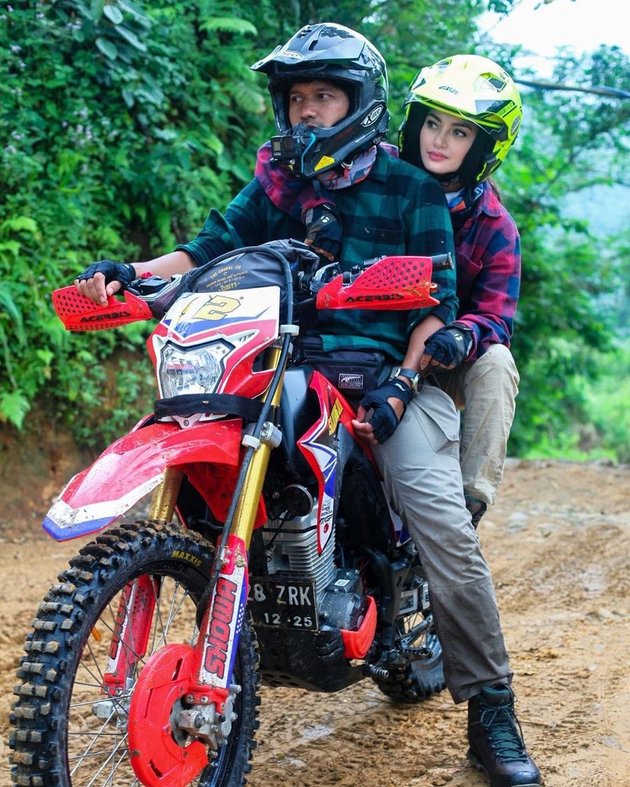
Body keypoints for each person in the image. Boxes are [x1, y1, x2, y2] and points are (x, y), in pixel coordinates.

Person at [74, 24, 541, 787]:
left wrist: (401, 381)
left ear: (358, 103)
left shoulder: (412, 188)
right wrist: (128, 271)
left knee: (443, 522)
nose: (308, 112)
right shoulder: (276, 184)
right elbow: (206, 250)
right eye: (297, 98)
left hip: (387, 376)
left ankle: (492, 708)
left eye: (324, 95)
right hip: (280, 367)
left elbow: (440, 302)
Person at [398, 54, 523, 528]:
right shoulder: (382, 180)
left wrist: (459, 335)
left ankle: (465, 508)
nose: (438, 140)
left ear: (483, 146)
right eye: (432, 123)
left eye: (459, 132)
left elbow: (496, 317)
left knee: (498, 362)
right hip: (364, 345)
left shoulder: (497, 228)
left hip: (439, 359)